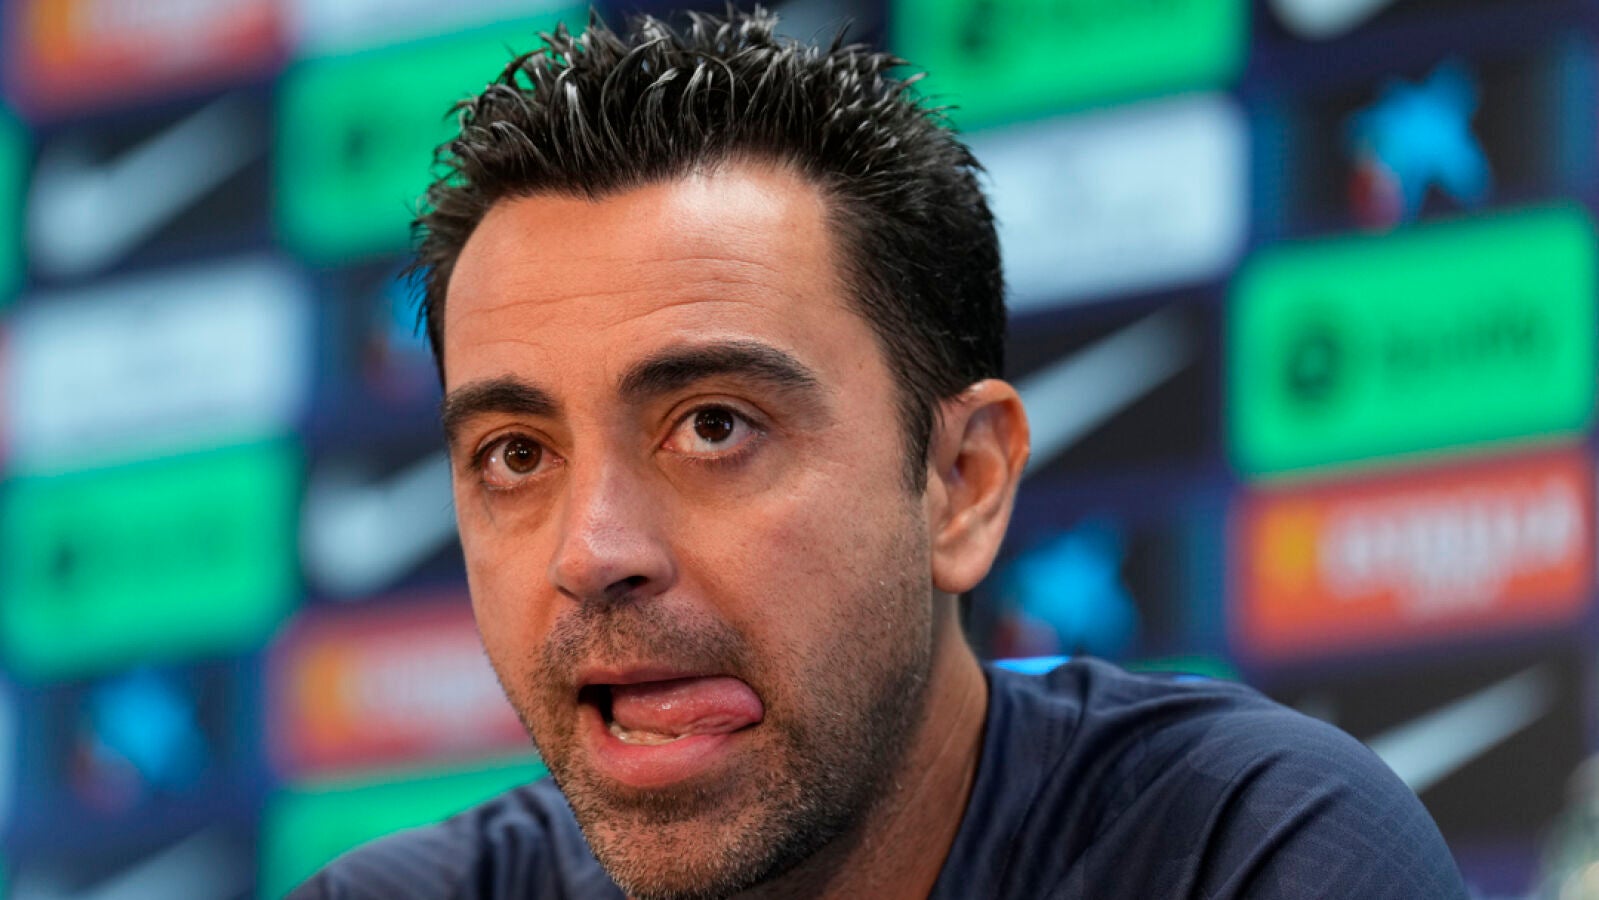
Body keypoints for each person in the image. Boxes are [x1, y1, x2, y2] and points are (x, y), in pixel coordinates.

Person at [292, 7, 1468, 899]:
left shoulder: (1244, 849)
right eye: (514, 454)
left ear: (963, 484)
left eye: (715, 426)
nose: (592, 551)